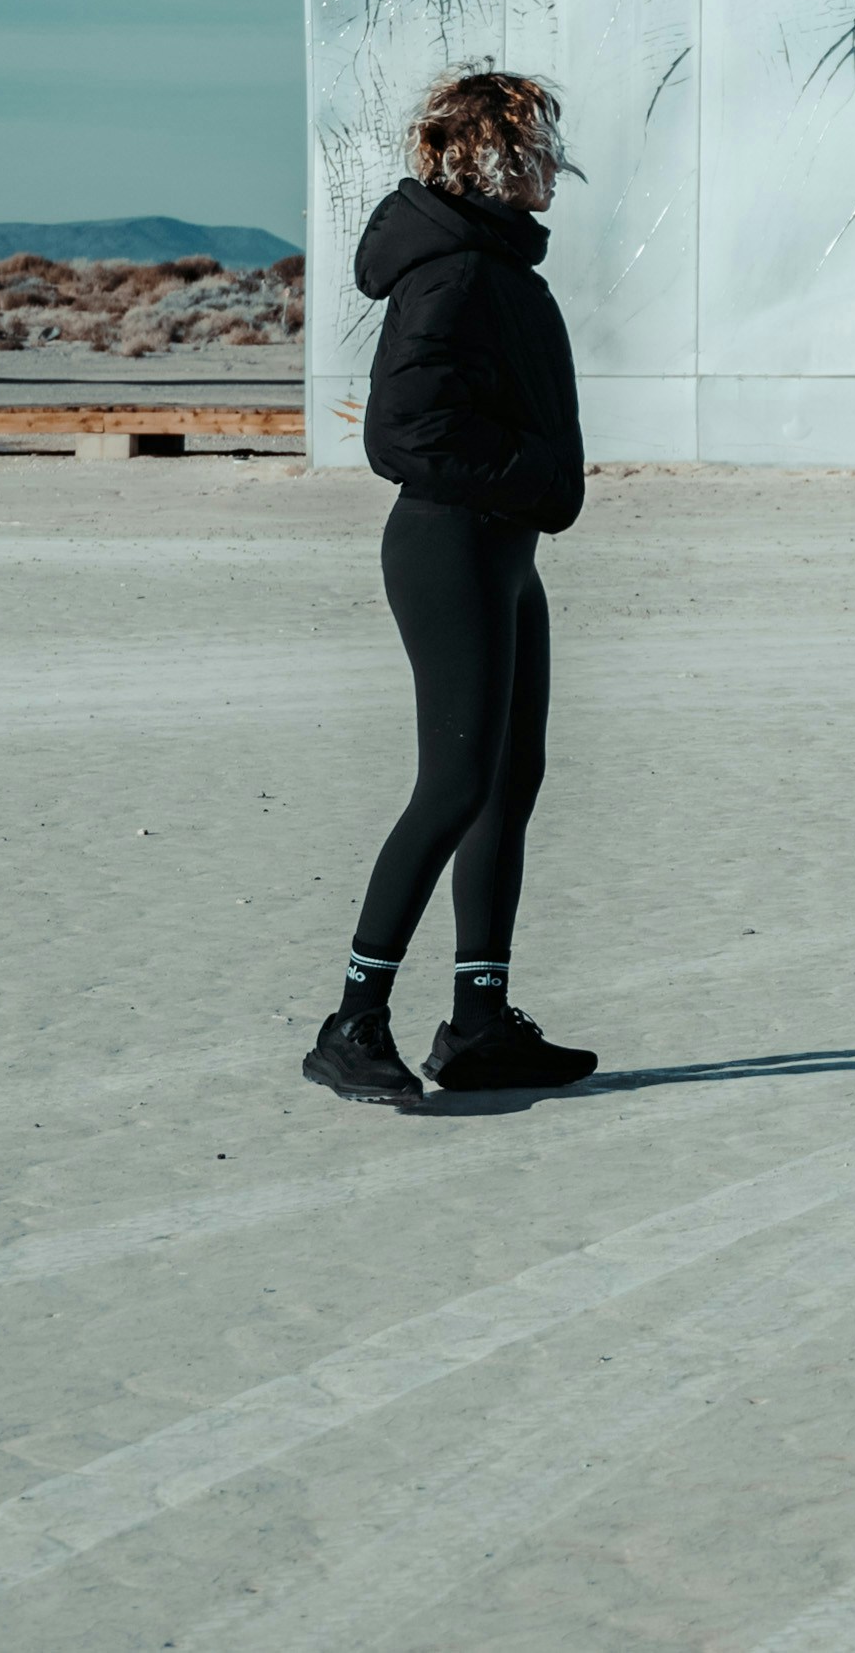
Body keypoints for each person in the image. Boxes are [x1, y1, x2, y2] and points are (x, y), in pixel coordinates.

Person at [302, 69, 609, 1104]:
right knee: (453, 785)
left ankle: (479, 1021)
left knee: (507, 781)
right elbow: (402, 433)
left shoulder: (490, 265)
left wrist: (527, 493)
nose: (554, 164)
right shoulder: (455, 274)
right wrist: (529, 475)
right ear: (496, 156)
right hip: (450, 544)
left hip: (501, 547)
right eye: (539, 145)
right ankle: (352, 1022)